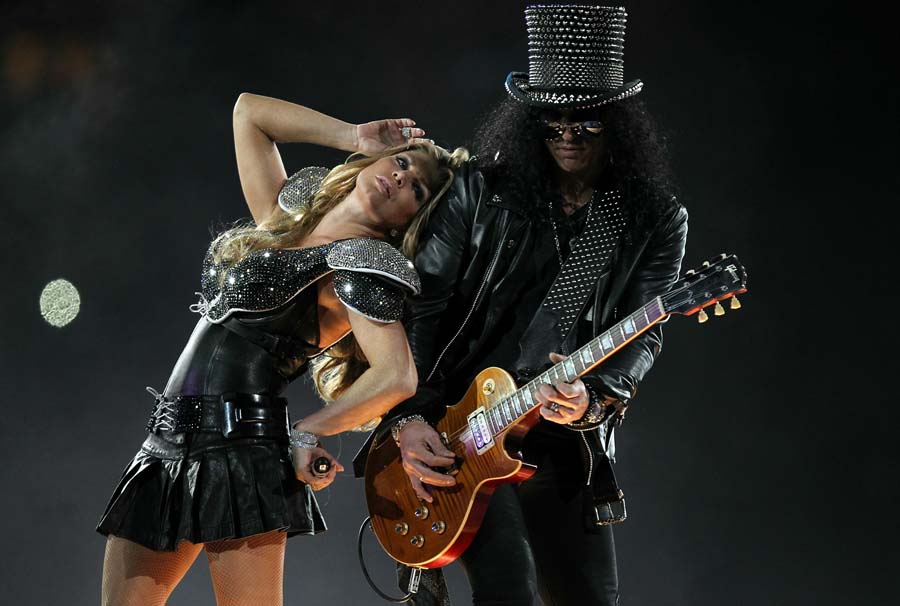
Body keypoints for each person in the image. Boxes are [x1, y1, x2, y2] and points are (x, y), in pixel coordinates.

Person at [353, 5, 688, 605]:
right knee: (507, 591)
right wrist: (407, 418)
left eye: (586, 121)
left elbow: (643, 331)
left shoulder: (653, 217)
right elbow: (422, 308)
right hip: (461, 424)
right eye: (551, 120)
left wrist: (594, 399)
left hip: (561, 433)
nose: (567, 134)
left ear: (618, 124)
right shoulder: (480, 190)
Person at [96, 92, 469, 606]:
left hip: (243, 454)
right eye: (401, 163)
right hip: (166, 440)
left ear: (412, 219)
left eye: (418, 189)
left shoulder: (362, 262)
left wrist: (308, 430)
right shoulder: (286, 216)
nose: (401, 178)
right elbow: (248, 113)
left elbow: (397, 375)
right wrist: (352, 135)